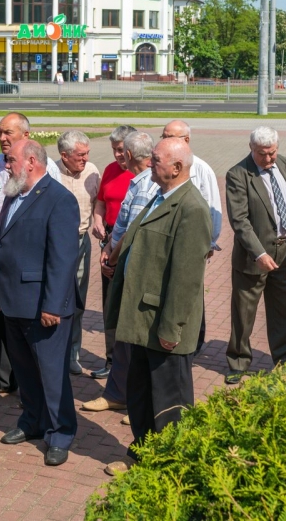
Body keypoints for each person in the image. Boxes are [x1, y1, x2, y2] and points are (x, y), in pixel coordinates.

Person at [104, 137, 211, 475]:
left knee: (169, 400)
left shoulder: (192, 208)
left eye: (156, 160)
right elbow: (137, 235)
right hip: (142, 318)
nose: (149, 163)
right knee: (140, 392)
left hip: (163, 323)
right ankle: (142, 452)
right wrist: (116, 252)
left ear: (177, 168)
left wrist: (171, 328)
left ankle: (171, 465)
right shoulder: (161, 194)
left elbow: (186, 278)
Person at [0, 139, 81, 467]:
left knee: (52, 373)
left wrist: (53, 305)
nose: (6, 165)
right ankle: (32, 421)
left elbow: (63, 258)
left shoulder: (59, 199)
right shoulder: (15, 193)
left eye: (10, 159)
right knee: (25, 370)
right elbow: (2, 245)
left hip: (43, 305)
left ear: (31, 161)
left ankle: (60, 432)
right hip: (12, 302)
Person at [0, 112, 61, 398]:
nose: (2, 138)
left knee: (26, 325)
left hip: (27, 265)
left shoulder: (46, 169)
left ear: (25, 135)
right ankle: (2, 380)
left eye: (8, 132)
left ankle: (29, 387)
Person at [225, 126, 286, 385]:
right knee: (244, 313)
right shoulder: (238, 174)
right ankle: (238, 362)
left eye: (272, 152)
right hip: (254, 257)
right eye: (263, 154)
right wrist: (258, 252)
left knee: (284, 311)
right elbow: (239, 220)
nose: (269, 159)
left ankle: (285, 359)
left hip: (285, 252)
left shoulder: (285, 164)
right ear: (252, 149)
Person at [85, 131, 156, 420]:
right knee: (122, 329)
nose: (116, 155)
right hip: (117, 256)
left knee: (136, 335)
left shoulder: (148, 184)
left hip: (132, 266)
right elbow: (120, 223)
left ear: (128, 153)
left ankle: (138, 401)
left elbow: (130, 233)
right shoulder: (129, 178)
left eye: (119, 150)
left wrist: (110, 257)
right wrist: (107, 246)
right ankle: (118, 394)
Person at [161, 120, 223, 353]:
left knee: (191, 291)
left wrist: (210, 243)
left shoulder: (201, 169)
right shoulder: (160, 165)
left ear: (186, 140)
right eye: (163, 136)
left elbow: (213, 210)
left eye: (170, 136)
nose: (164, 140)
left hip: (193, 245)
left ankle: (194, 341)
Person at [89, 125, 137, 380]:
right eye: (114, 150)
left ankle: (128, 364)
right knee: (110, 303)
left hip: (131, 241)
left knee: (127, 303)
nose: (118, 155)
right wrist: (97, 220)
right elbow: (101, 200)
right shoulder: (109, 170)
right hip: (109, 238)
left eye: (121, 150)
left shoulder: (144, 173)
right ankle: (111, 361)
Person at [56, 130, 100, 376]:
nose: (85, 159)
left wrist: (97, 221)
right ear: (64, 155)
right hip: (56, 244)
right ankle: (55, 351)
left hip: (81, 241)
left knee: (77, 301)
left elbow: (98, 201)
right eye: (80, 155)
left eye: (87, 154)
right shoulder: (51, 173)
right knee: (54, 298)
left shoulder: (93, 170)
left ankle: (73, 353)